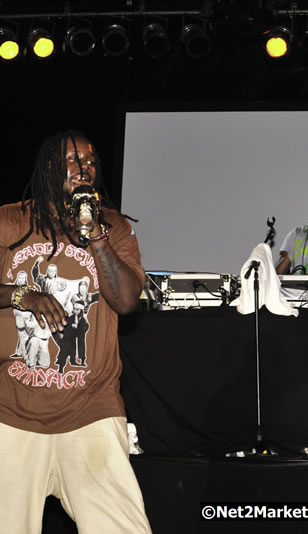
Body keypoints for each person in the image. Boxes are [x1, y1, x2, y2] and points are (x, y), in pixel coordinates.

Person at [0, 130, 151, 532]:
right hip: (11, 412)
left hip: (91, 409)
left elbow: (126, 301)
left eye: (90, 161)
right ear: (49, 166)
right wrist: (21, 296)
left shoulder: (114, 227)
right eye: (71, 160)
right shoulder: (9, 220)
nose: (84, 168)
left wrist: (96, 235)